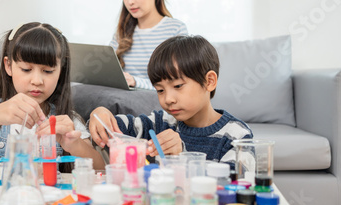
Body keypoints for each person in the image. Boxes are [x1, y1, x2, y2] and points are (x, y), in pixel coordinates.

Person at [0, 22, 104, 170]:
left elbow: (100, 169)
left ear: (60, 71)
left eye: (47, 71)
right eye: (26, 69)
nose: (37, 80)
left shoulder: (67, 120)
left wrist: (74, 145)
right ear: (8, 66)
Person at [89, 35, 253, 166]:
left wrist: (181, 156)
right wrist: (101, 113)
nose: (168, 99)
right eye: (160, 90)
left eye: (178, 86)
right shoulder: (159, 123)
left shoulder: (236, 136)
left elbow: (236, 187)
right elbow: (116, 129)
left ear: (209, 81)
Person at [111, 0, 188, 90]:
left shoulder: (175, 29)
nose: (130, 1)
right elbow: (108, 74)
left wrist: (136, 82)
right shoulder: (122, 32)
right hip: (124, 98)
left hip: (157, 100)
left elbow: (177, 83)